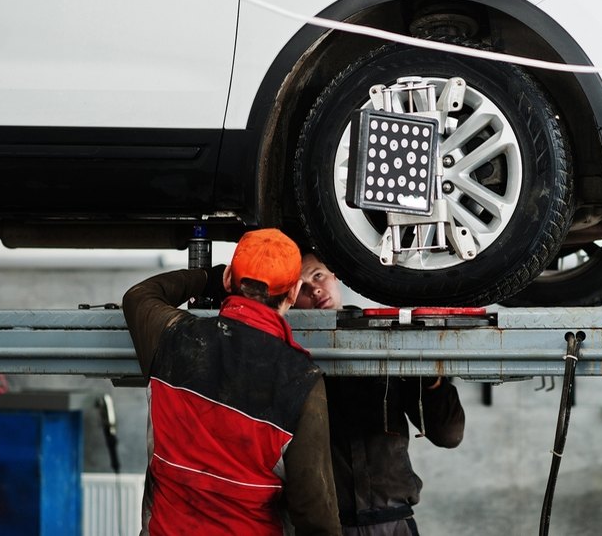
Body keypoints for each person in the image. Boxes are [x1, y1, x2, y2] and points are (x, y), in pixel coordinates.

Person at [122, 228, 341, 536]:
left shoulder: (173, 338)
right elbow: (314, 512)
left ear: (228, 280)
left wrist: (206, 277)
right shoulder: (301, 380)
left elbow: (138, 296)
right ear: (293, 293)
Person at [295, 251, 466, 536]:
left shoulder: (383, 339)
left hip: (394, 522)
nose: (314, 290)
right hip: (325, 525)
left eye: (318, 275)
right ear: (288, 297)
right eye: (300, 287)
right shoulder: (290, 357)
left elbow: (448, 434)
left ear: (335, 275)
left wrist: (429, 377)